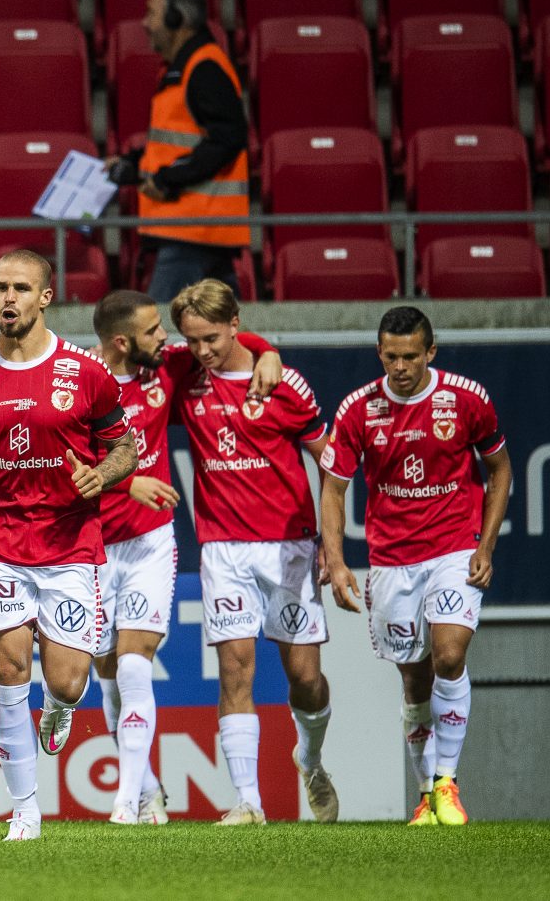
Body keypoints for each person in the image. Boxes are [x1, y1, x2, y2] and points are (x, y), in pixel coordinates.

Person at [0, 250, 138, 842]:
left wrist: (103, 474)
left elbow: (126, 448)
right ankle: (25, 809)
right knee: (8, 666)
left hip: (70, 541)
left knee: (69, 679)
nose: (8, 298)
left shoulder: (85, 371)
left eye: (21, 288)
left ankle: (61, 707)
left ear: (46, 296)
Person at [89, 289, 282, 825]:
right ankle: (147, 786)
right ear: (123, 341)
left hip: (151, 541)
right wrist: (126, 487)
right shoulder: (80, 383)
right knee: (106, 672)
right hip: (91, 546)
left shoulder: (164, 368)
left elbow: (228, 336)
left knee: (132, 665)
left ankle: (125, 802)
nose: (167, 340)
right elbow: (56, 472)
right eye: (154, 331)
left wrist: (267, 351)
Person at [319, 307, 511, 826]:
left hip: (452, 547)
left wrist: (485, 547)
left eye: (410, 355)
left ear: (431, 352)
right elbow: (333, 488)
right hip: (392, 560)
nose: (400, 366)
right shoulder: (359, 409)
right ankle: (427, 795)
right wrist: (336, 562)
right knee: (414, 679)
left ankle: (446, 780)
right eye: (390, 355)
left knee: (449, 654)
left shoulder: (466, 399)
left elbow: (500, 468)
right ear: (379, 353)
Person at [169, 279, 338, 825]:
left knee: (305, 680)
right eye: (192, 340)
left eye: (211, 339)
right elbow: (134, 349)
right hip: (223, 548)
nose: (202, 351)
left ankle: (309, 759)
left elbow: (331, 464)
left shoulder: (284, 384)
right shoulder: (185, 377)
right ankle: (248, 801)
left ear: (236, 323)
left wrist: (331, 548)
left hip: (288, 547)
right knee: (235, 671)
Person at [109, 0, 250, 301]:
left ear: (177, 19)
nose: (145, 23)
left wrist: (168, 179)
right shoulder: (183, 68)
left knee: (153, 332)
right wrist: (132, 165)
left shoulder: (204, 68)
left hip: (190, 231)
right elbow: (177, 145)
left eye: (151, 13)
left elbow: (228, 137)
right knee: (224, 333)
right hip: (196, 229)